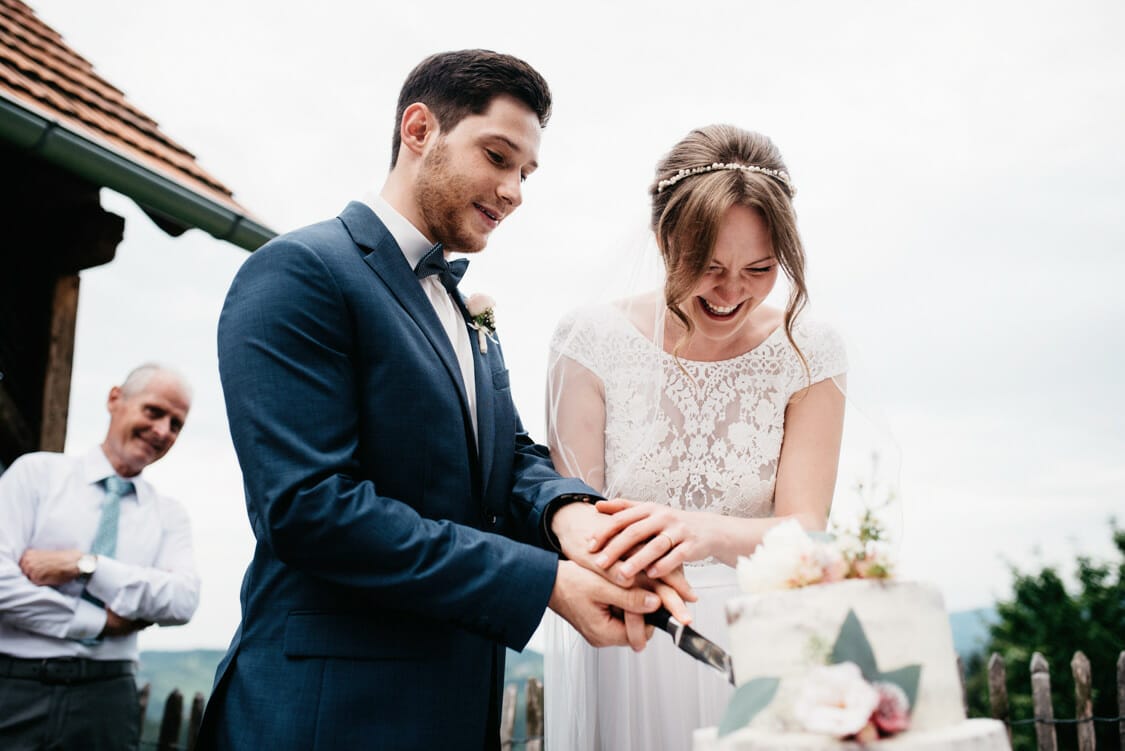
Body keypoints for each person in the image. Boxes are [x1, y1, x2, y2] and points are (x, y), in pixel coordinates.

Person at [196, 49, 692, 751]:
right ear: (419, 129)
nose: (514, 189)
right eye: (497, 156)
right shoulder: (301, 272)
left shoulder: (462, 305)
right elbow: (308, 508)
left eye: (525, 172)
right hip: (328, 714)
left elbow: (506, 456)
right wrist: (544, 581)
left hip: (454, 706)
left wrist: (573, 516)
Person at [544, 124, 849, 750]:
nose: (731, 291)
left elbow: (806, 527)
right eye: (707, 267)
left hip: (766, 643)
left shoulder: (809, 351)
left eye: (759, 269)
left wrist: (700, 530)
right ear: (663, 240)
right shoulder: (590, 341)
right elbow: (575, 516)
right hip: (634, 634)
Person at [0, 363, 200, 751]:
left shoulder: (169, 515)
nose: (162, 431)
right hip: (13, 686)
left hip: (107, 698)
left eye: (176, 424)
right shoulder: (36, 475)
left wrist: (86, 565)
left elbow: (182, 600)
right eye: (154, 411)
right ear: (115, 400)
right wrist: (100, 622)